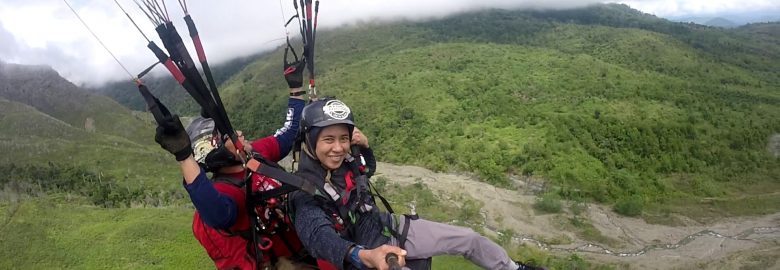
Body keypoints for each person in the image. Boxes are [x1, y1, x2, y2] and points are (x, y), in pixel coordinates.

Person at [289, 98, 546, 270]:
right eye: (328, 140)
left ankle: (513, 268)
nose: (337, 148)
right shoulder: (303, 190)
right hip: (359, 254)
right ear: (310, 142)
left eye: (343, 138)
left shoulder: (345, 160)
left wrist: (365, 148)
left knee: (468, 238)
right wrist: (364, 256)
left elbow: (367, 171)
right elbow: (318, 237)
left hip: (385, 227)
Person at [154, 59, 332, 269]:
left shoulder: (255, 153)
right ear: (219, 151)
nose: (239, 133)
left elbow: (289, 134)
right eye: (230, 135)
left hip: (314, 236)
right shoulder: (227, 190)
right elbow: (216, 214)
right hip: (293, 262)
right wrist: (184, 156)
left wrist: (295, 88)